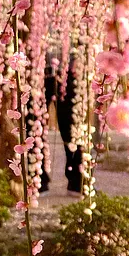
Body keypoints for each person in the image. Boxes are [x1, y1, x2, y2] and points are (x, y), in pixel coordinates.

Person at [45, 46, 83, 193]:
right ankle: (37, 178)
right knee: (34, 124)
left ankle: (76, 179)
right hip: (38, 67)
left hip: (70, 68)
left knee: (71, 125)